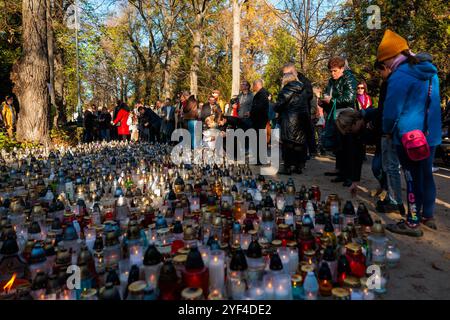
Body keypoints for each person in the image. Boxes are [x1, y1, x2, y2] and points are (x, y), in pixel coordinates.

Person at [377, 29, 441, 236]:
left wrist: (387, 130)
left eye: (385, 61)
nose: (385, 66)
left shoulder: (400, 75)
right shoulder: (431, 73)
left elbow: (391, 110)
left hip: (408, 137)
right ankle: (428, 216)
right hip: (429, 135)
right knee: (426, 175)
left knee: (411, 177)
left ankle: (412, 222)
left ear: (392, 57)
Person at [370, 61, 405, 216]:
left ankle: (395, 201)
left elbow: (388, 109)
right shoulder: (400, 80)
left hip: (390, 131)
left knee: (391, 168)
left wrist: (387, 128)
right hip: (393, 130)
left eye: (380, 72)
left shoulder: (391, 82)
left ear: (386, 67)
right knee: (390, 168)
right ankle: (394, 199)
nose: (380, 75)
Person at [319, 56, 358, 186]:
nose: (333, 73)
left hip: (346, 116)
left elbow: (350, 98)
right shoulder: (331, 81)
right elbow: (327, 96)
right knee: (339, 146)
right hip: (335, 116)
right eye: (331, 71)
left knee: (348, 147)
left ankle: (349, 176)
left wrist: (333, 100)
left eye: (335, 70)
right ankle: (341, 173)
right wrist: (323, 102)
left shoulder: (349, 78)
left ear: (342, 68)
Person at [273, 73, 310, 175]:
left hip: (290, 119)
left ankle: (287, 167)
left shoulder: (286, 89)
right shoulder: (303, 89)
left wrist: (275, 107)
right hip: (301, 119)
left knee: (288, 144)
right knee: (298, 143)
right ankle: (298, 166)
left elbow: (279, 105)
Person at [250, 79, 270, 165]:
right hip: (259, 119)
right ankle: (259, 159)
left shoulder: (262, 94)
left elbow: (259, 107)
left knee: (259, 139)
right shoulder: (261, 93)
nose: (252, 87)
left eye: (253, 86)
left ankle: (260, 159)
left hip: (260, 120)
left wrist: (251, 112)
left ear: (256, 85)